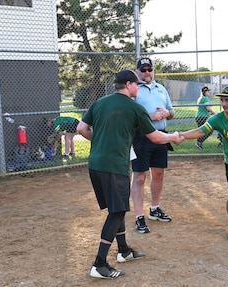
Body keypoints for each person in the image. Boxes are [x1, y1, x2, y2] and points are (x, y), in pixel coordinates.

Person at [76, 69, 182, 279]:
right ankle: (99, 264)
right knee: (116, 212)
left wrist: (99, 142)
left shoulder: (100, 102)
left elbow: (81, 128)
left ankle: (124, 251)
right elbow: (155, 137)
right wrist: (174, 137)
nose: (139, 87)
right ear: (128, 84)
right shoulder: (135, 107)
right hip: (114, 166)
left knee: (119, 207)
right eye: (136, 83)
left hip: (96, 164)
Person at [180, 86, 228, 241]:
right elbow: (200, 131)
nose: (223, 104)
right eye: (221, 100)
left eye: (227, 100)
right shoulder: (218, 118)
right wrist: (180, 135)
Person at [131, 57, 175, 234]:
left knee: (159, 174)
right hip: (142, 138)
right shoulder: (134, 90)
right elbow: (130, 116)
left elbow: (171, 112)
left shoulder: (161, 88)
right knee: (140, 177)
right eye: (143, 70)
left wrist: (167, 113)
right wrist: (150, 116)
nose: (147, 73)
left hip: (161, 136)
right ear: (137, 72)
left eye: (149, 69)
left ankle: (155, 208)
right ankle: (139, 216)